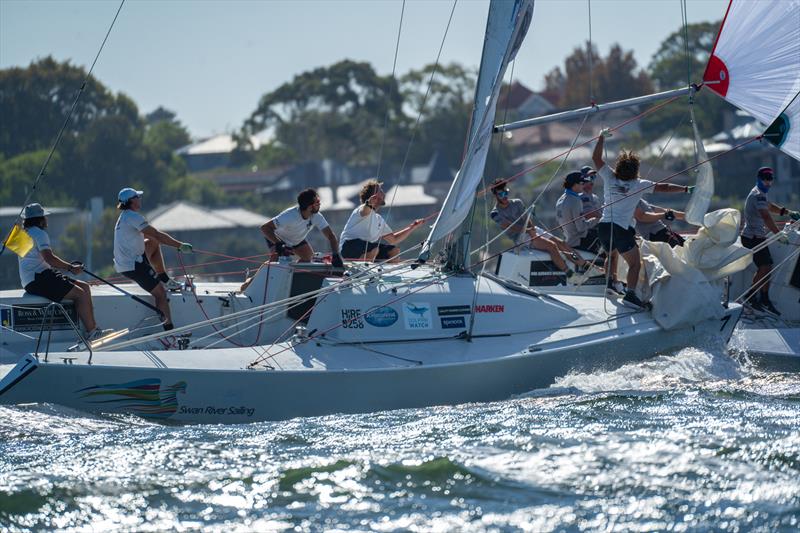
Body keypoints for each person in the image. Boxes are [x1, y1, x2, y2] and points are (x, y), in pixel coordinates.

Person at [592, 129, 693, 309]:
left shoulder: (608, 176)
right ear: (636, 170)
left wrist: (600, 138)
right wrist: (686, 189)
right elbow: (665, 187)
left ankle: (609, 283)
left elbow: (596, 159)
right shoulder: (639, 184)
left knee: (611, 254)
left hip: (603, 227)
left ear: (619, 166)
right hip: (621, 229)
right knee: (634, 264)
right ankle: (630, 295)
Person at [17, 203, 110, 341]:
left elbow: (33, 260)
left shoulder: (21, 234)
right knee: (80, 294)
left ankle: (93, 329)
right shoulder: (40, 233)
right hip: (38, 279)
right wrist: (70, 268)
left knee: (84, 287)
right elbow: (49, 258)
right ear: (40, 219)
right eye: (44, 217)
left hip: (31, 280)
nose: (46, 220)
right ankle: (92, 333)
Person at [113, 187, 193, 330]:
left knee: (153, 243)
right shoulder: (133, 217)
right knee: (160, 294)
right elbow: (157, 234)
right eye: (137, 197)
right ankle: (169, 332)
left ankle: (164, 278)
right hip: (133, 265)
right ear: (132, 201)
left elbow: (154, 238)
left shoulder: (126, 216)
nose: (140, 199)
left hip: (129, 260)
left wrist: (171, 243)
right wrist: (180, 245)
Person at [490, 178, 589, 278]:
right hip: (520, 238)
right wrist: (528, 231)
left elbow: (527, 219)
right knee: (552, 246)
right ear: (495, 196)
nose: (505, 196)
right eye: (501, 194)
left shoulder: (517, 202)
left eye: (506, 193)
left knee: (561, 243)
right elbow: (509, 226)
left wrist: (532, 229)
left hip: (530, 230)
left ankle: (586, 267)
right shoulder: (495, 213)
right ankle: (570, 276)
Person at [740, 167, 800, 315]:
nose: (768, 182)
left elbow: (769, 206)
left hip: (757, 237)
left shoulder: (761, 194)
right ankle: (750, 297)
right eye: (765, 178)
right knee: (765, 266)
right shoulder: (758, 195)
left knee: (767, 267)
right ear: (759, 178)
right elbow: (766, 216)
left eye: (770, 179)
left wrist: (788, 213)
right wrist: (779, 234)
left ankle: (764, 300)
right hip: (752, 238)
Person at [339, 179, 424, 262]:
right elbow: (365, 210)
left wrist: (413, 227)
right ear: (372, 196)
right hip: (348, 247)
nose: (384, 193)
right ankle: (364, 272)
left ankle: (387, 275)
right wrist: (369, 203)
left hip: (367, 249)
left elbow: (394, 239)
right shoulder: (361, 210)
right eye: (380, 191)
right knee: (374, 250)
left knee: (394, 251)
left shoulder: (379, 219)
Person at [260, 188, 343, 267]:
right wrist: (278, 244)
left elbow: (330, 236)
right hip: (278, 238)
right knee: (276, 262)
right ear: (310, 207)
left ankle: (294, 276)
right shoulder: (289, 216)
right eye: (317, 202)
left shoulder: (317, 216)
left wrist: (336, 254)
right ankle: (251, 280)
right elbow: (265, 228)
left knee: (308, 259)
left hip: (296, 239)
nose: (320, 204)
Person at [556, 171, 603, 254]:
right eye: (582, 183)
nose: (583, 185)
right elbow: (581, 228)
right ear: (574, 184)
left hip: (569, 239)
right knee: (611, 247)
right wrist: (597, 219)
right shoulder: (575, 200)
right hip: (579, 241)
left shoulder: (560, 200)